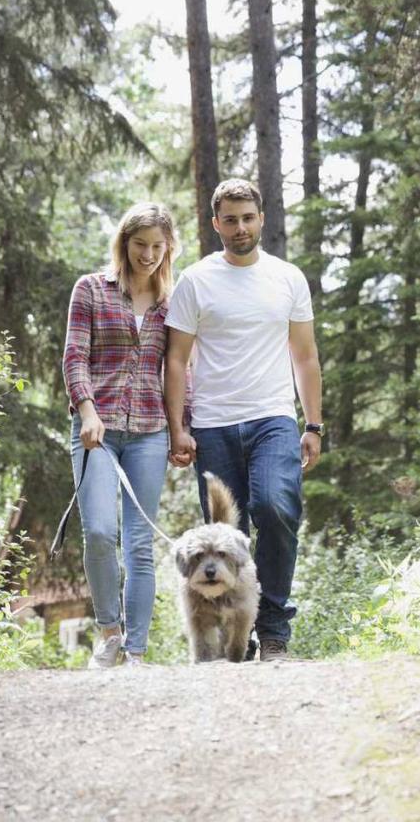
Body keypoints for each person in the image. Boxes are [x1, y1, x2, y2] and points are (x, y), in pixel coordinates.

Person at [164, 178, 323, 662]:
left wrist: (312, 423)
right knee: (226, 536)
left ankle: (273, 629)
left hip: (273, 417)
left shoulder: (288, 278)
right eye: (229, 219)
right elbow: (175, 360)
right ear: (216, 224)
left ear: (262, 220)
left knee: (276, 508)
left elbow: (305, 356)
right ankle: (237, 627)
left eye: (247, 218)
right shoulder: (195, 281)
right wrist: (178, 427)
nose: (239, 227)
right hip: (213, 423)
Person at [63, 202, 181, 669]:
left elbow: (178, 373)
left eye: (157, 246)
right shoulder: (91, 290)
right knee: (97, 531)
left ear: (168, 247)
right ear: (124, 243)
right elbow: (74, 356)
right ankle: (109, 632)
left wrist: (180, 429)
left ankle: (136, 652)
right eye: (140, 245)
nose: (148, 254)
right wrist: (87, 410)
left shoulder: (173, 304)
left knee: (139, 542)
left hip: (150, 432)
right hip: (97, 431)